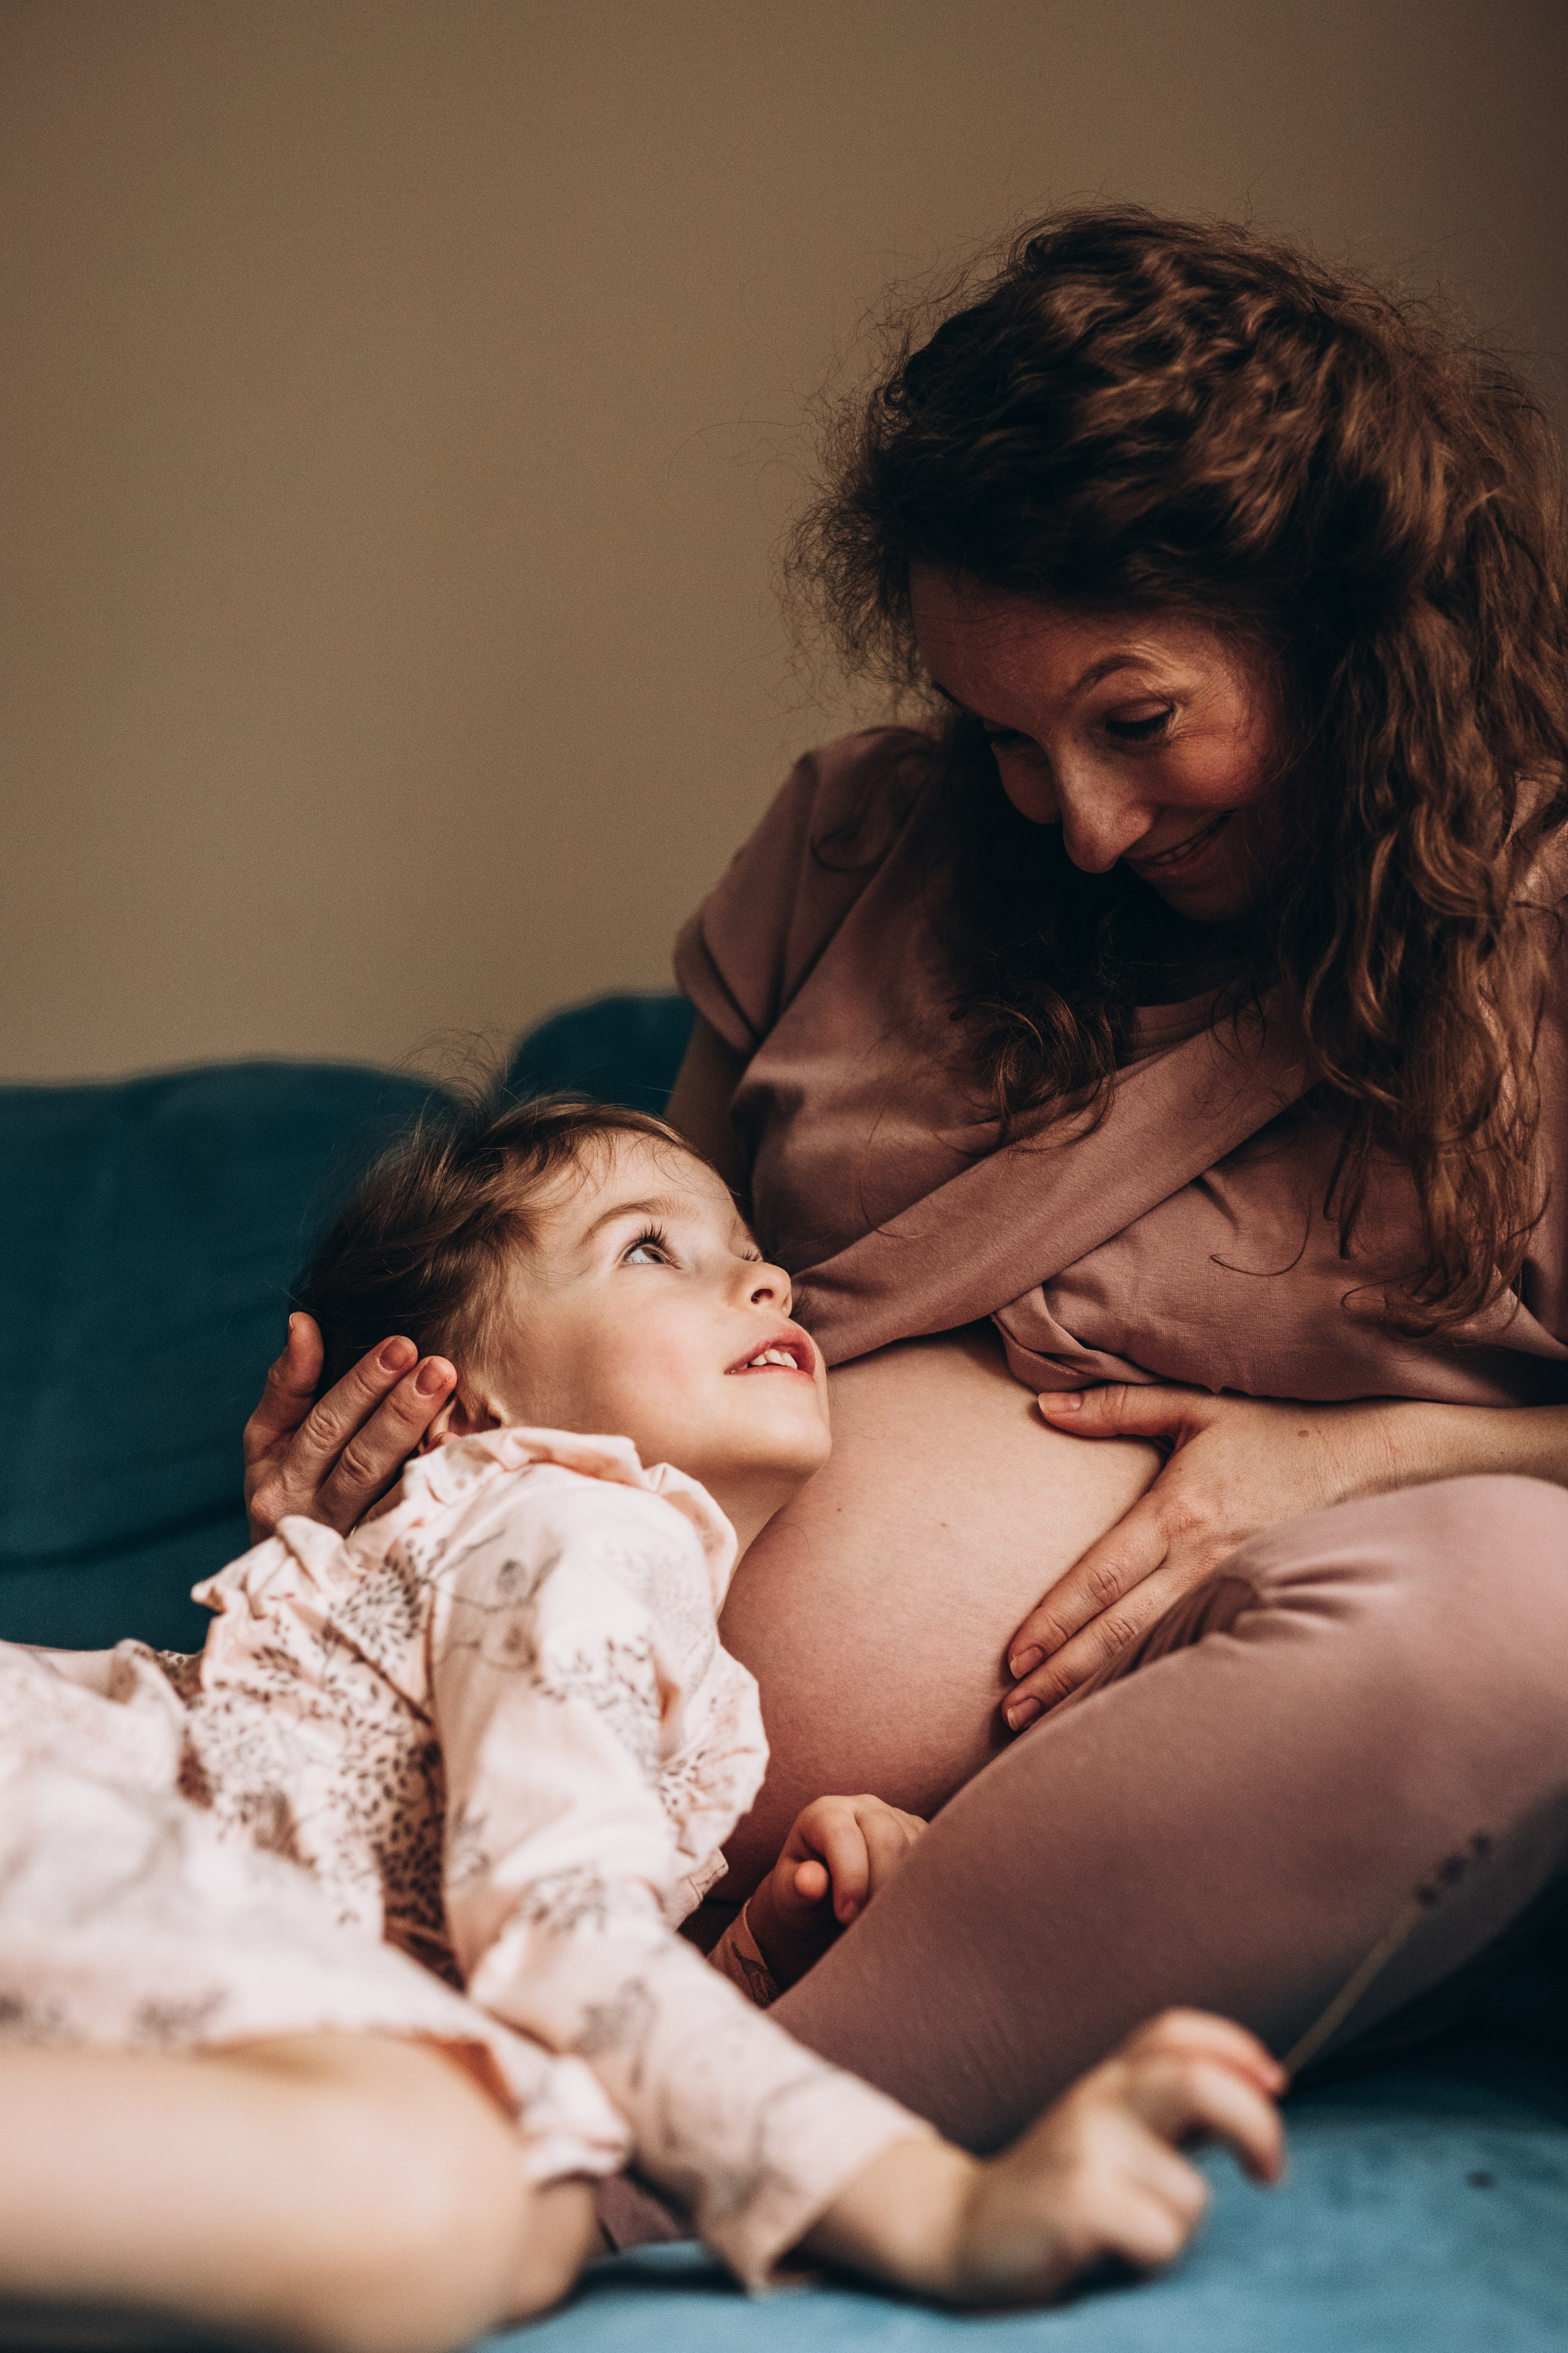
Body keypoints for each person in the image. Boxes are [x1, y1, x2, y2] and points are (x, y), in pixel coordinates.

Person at [242, 207, 1568, 2152]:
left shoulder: (1533, 950)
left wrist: (1363, 1456)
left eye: (1136, 722)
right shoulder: (863, 839)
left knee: (1527, 1612)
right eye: (1007, 736)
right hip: (587, 1771)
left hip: (1196, 1811)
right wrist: (356, 1521)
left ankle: (679, 2147)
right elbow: (604, 1276)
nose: (1081, 823)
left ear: (1350, 640)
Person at [1, 1096, 1284, 2344]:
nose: (766, 1280)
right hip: (68, 1810)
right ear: (467, 1408)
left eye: (752, 1250)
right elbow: (557, 1940)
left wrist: (749, 1961)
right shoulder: (583, 1521)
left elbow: (490, 1968)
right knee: (461, 2194)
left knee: (507, 2181)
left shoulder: (574, 1582)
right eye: (650, 1249)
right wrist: (937, 2203)